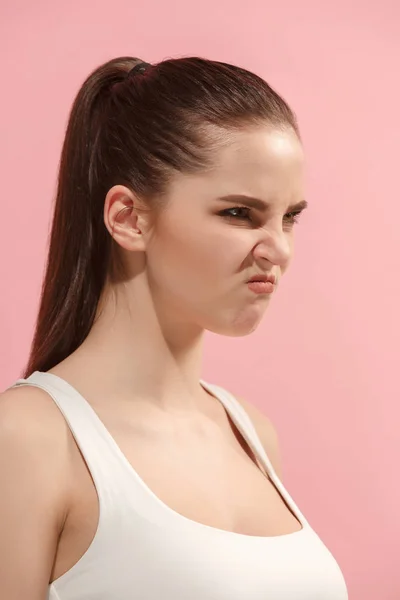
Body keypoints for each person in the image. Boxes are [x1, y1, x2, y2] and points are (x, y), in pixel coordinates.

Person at [0, 56, 348, 599]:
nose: (278, 248)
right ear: (128, 218)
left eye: (290, 217)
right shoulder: (28, 439)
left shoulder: (252, 434)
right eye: (239, 213)